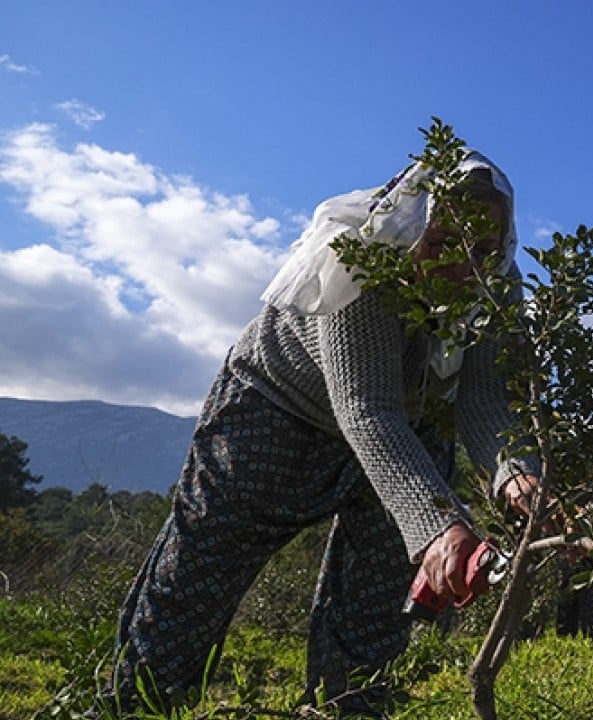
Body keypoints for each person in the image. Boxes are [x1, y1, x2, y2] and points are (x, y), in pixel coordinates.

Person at [101, 148, 540, 717]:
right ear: (414, 225)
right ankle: (138, 705)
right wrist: (439, 524)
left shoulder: (496, 286)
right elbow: (366, 408)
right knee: (205, 565)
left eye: (482, 250)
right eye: (445, 244)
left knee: (377, 592)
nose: (465, 268)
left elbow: (485, 400)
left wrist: (518, 479)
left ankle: (349, 705)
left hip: (405, 424)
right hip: (280, 406)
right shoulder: (362, 257)